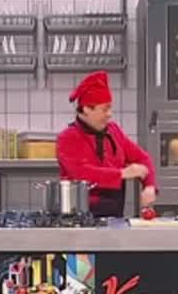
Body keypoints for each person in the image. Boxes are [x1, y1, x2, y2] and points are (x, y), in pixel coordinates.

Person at [55, 70, 157, 217]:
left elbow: (142, 158)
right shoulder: (68, 137)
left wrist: (149, 186)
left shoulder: (114, 131)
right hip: (80, 215)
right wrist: (122, 173)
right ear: (87, 108)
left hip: (115, 213)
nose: (110, 114)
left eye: (110, 107)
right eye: (105, 109)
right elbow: (81, 173)